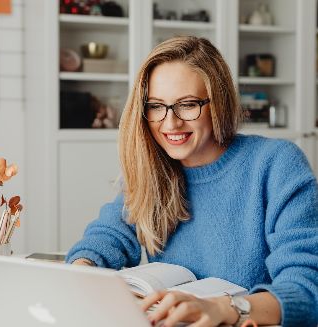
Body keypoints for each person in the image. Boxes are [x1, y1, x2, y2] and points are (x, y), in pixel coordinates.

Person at [65, 36, 318, 327]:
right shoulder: (153, 167)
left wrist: (225, 308)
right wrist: (81, 271)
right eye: (156, 106)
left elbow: (306, 290)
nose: (170, 123)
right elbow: (108, 235)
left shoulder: (276, 164)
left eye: (187, 105)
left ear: (218, 103)